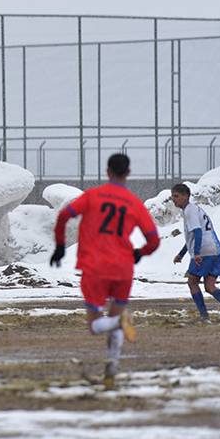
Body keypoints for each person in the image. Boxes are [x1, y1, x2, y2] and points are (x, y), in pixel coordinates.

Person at [50, 153, 160, 390]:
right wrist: (138, 254)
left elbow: (64, 215)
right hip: (123, 269)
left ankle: (119, 323)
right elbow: (153, 240)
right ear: (128, 173)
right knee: (114, 321)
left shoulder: (92, 196)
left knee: (95, 326)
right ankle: (111, 371)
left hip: (95, 267)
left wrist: (59, 246)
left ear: (107, 171)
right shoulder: (134, 203)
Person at [170, 183, 220, 323]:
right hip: (216, 249)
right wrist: (181, 254)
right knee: (209, 286)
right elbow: (193, 236)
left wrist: (197, 253)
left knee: (192, 282)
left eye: (176, 196)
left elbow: (198, 232)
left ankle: (204, 317)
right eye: (172, 197)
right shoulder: (196, 210)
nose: (174, 199)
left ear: (186, 196)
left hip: (204, 252)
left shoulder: (189, 210)